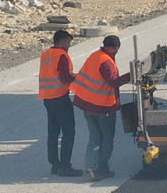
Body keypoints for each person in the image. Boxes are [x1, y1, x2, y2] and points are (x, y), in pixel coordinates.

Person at [70, 33, 132, 183]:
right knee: (106, 140)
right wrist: (132, 75)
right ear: (115, 48)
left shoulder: (95, 56)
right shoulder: (106, 62)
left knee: (94, 138)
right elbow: (113, 82)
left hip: (87, 105)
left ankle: (90, 168)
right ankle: (101, 169)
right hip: (103, 108)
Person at [37, 29, 79, 176]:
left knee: (53, 132)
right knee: (69, 132)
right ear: (61, 41)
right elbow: (65, 77)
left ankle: (54, 164)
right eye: (68, 42)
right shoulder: (62, 55)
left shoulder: (46, 55)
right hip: (61, 97)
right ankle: (65, 166)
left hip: (47, 98)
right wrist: (80, 78)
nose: (69, 45)